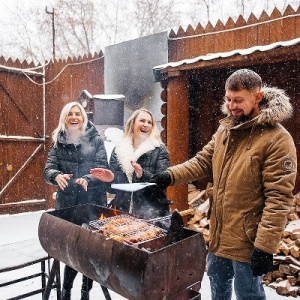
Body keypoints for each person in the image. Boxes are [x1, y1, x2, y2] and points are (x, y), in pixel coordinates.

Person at [150, 69, 297, 300]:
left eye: (239, 100)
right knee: (218, 290)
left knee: (249, 294)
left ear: (257, 97)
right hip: (219, 237)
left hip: (249, 242)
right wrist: (168, 176)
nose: (231, 106)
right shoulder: (226, 130)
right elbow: (202, 162)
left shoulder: (277, 139)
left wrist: (265, 247)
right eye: (228, 99)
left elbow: (278, 199)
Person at [43, 102, 110, 300]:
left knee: (89, 250)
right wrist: (56, 176)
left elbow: (102, 168)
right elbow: (48, 169)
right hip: (68, 204)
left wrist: (88, 179)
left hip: (92, 201)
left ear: (83, 118)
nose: (74, 117)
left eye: (77, 114)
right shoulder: (58, 140)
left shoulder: (96, 139)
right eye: (70, 114)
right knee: (70, 250)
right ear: (65, 118)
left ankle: (85, 292)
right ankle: (66, 290)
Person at [90, 108, 172, 220]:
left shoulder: (159, 149)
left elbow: (163, 182)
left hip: (152, 213)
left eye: (149, 122)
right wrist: (111, 179)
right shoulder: (119, 150)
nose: (146, 125)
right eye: (142, 121)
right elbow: (113, 190)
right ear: (133, 124)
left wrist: (143, 175)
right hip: (123, 213)